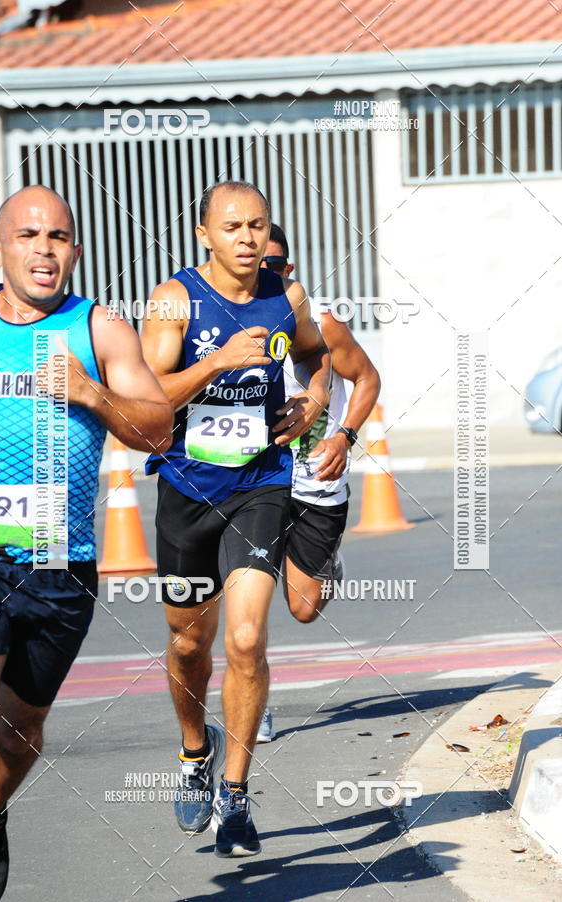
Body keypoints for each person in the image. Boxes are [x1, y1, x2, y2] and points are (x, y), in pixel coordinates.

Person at [0, 185, 173, 902]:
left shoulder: (102, 328)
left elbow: (157, 431)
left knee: (17, 735)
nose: (43, 249)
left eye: (57, 237)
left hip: (61, 563)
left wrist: (91, 394)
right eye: (27, 236)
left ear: (75, 251)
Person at [141, 181, 330, 857]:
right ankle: (196, 750)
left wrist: (314, 402)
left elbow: (317, 355)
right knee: (190, 645)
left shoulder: (287, 294)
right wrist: (216, 362)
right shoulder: (174, 299)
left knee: (246, 639)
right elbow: (145, 391)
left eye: (257, 224)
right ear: (204, 235)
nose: (247, 238)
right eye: (232, 226)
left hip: (262, 482)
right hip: (187, 489)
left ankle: (237, 795)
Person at [256, 223, 380, 743]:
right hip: (254, 479)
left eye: (275, 264)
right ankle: (253, 701)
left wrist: (345, 438)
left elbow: (367, 378)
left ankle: (330, 563)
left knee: (303, 608)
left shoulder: (321, 324)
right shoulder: (217, 322)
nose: (264, 271)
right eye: (255, 262)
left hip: (316, 478)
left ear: (290, 270)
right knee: (250, 593)